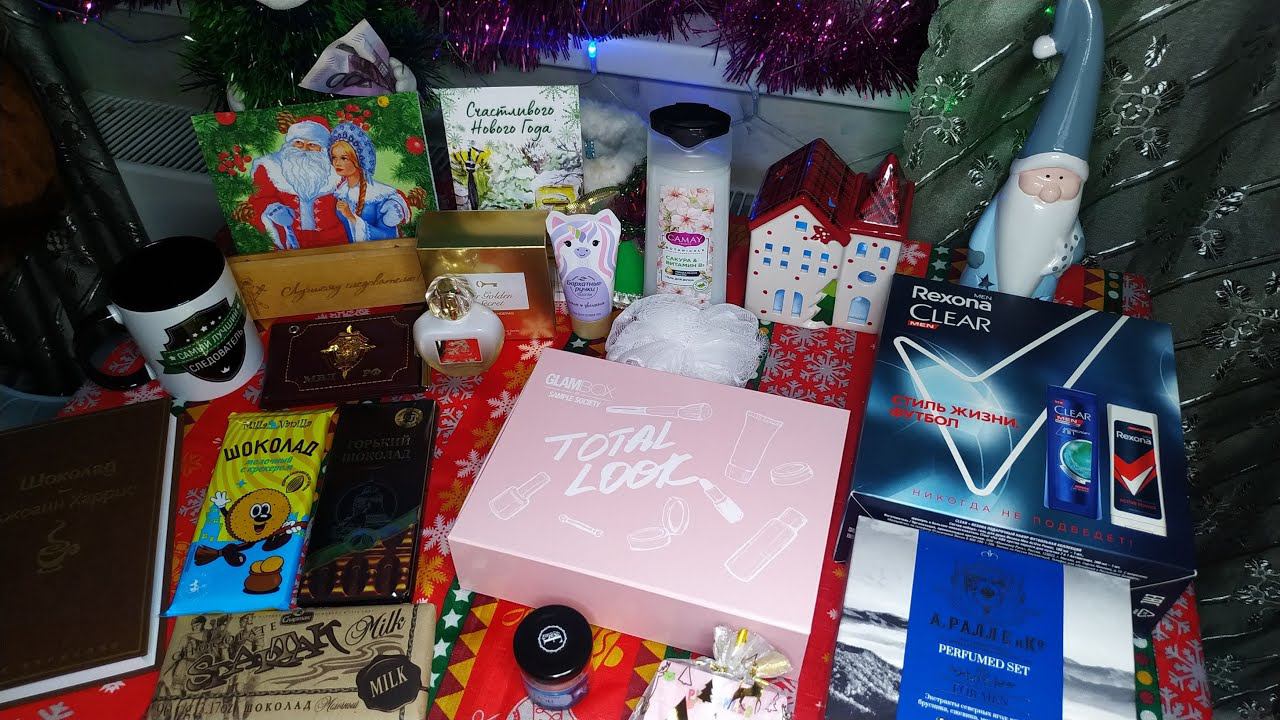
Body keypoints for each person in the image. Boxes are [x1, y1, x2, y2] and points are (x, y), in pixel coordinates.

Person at [959, 0, 1100, 299]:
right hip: (987, 279)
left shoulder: (1066, 218)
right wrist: (977, 251)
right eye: (1046, 176)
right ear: (1022, 173)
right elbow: (986, 230)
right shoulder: (1009, 203)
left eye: (1063, 179)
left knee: (1043, 291)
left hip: (1038, 288)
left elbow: (1076, 248)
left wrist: (1069, 255)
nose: (1051, 188)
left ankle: (1034, 308)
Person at [247, 117, 345, 249]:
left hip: (334, 240)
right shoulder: (270, 167)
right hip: (288, 240)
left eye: (312, 144)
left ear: (322, 148)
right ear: (290, 143)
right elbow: (258, 200)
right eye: (298, 142)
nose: (304, 149)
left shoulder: (337, 169)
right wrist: (272, 210)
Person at [328, 123, 411, 242]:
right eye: (334, 157)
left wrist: (351, 217)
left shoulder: (380, 196)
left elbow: (387, 237)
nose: (337, 163)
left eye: (343, 158)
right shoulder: (340, 193)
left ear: (357, 160)